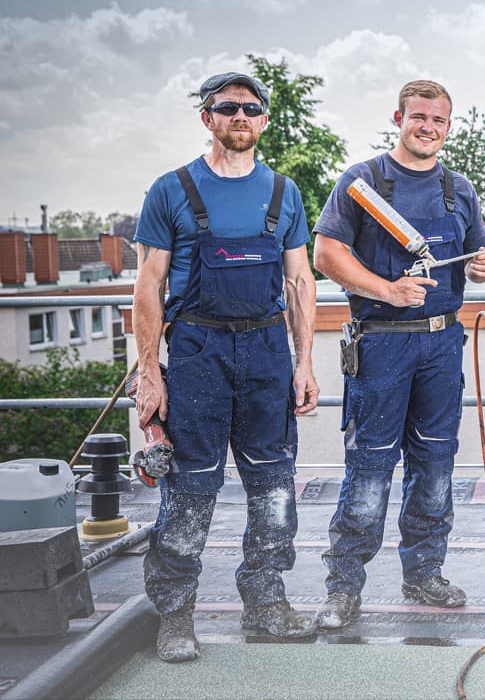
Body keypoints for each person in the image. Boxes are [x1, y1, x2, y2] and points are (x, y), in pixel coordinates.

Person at [133, 72, 320, 662]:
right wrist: (149, 373)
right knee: (190, 492)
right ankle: (176, 615)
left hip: (266, 353)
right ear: (208, 118)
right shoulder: (171, 189)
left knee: (273, 487)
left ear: (264, 120)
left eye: (251, 108)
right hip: (196, 353)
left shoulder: (283, 192)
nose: (241, 115)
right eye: (228, 107)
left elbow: (299, 280)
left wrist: (304, 362)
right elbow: (147, 287)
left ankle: (265, 602)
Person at [311, 80, 485, 628]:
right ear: (399, 117)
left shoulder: (457, 189)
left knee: (436, 463)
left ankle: (424, 572)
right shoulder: (363, 182)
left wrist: (481, 266)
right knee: (370, 467)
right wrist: (386, 289)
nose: (428, 128)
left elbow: (476, 254)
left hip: (442, 342)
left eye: (438, 121)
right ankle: (344, 585)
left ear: (448, 126)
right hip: (382, 344)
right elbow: (325, 253)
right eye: (419, 117)